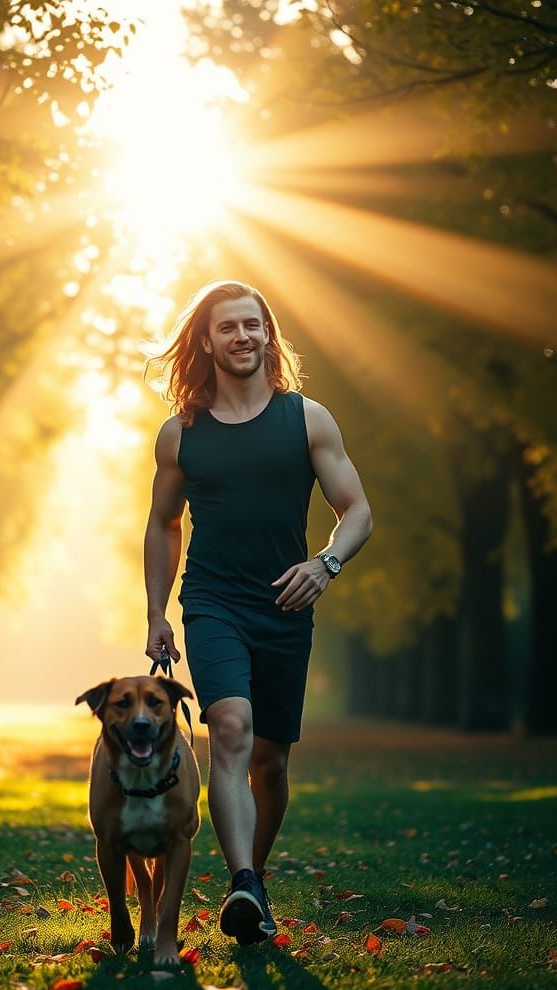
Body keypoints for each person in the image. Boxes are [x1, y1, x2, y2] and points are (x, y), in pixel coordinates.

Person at [143, 280, 372, 945]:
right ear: (206, 341)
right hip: (212, 602)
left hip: (285, 606)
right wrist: (156, 611)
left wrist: (325, 564)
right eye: (227, 327)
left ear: (268, 334)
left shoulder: (307, 419)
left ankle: (254, 879)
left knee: (269, 765)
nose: (242, 336)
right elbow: (163, 524)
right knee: (231, 727)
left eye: (252, 324)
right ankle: (240, 879)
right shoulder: (181, 434)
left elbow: (357, 511)